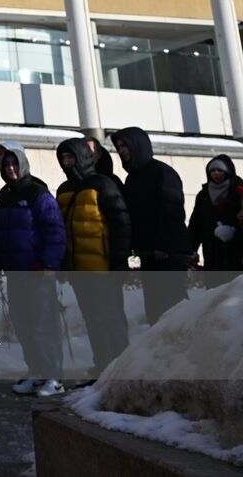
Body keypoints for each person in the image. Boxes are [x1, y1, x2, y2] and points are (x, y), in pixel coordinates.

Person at [0, 143, 68, 397]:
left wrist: (49, 263)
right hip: (15, 273)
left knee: (44, 325)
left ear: (22, 163)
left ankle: (54, 376)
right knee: (24, 325)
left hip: (37, 272)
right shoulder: (3, 196)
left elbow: (54, 231)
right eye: (6, 165)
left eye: (14, 163)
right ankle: (36, 371)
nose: (10, 169)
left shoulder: (37, 194)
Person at [56, 137, 131, 378]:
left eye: (71, 157)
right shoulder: (63, 190)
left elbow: (121, 223)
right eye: (63, 158)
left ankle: (121, 368)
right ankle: (101, 366)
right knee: (92, 320)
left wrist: (119, 261)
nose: (67, 163)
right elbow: (61, 230)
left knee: (111, 319)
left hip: (103, 268)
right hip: (79, 270)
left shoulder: (103, 184)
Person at [110, 127, 190, 324]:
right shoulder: (132, 178)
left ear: (137, 145)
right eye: (118, 147)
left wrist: (163, 245)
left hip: (167, 254)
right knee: (155, 311)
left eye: (124, 145)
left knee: (174, 310)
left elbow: (172, 211)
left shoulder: (162, 172)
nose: (121, 151)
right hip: (148, 254)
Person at [187, 155, 243, 277]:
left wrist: (234, 231)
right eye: (212, 171)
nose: (216, 173)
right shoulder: (204, 195)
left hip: (236, 252)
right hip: (212, 250)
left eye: (219, 170)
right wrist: (190, 249)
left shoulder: (239, 191)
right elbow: (196, 224)